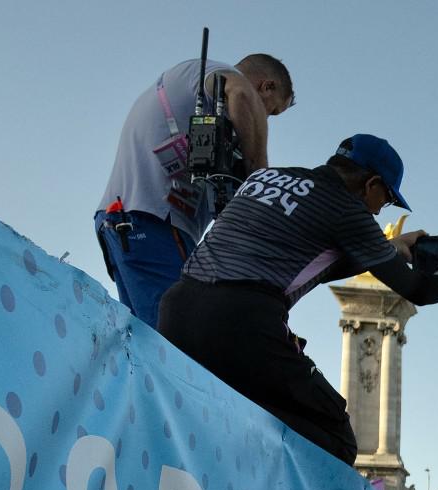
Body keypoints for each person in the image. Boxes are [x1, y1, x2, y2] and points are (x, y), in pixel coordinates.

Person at [158, 134, 438, 465]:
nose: (382, 210)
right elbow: (418, 290)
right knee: (336, 437)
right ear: (372, 184)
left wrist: (390, 248)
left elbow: (309, 258)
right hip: (242, 320)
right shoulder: (345, 208)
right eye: (388, 198)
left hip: (177, 309)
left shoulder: (266, 177)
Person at [96, 53, 296, 328]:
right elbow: (241, 92)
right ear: (266, 86)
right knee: (182, 342)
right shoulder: (214, 75)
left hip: (127, 223)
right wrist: (257, 178)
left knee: (151, 346)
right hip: (154, 224)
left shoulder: (199, 95)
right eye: (271, 111)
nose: (266, 119)